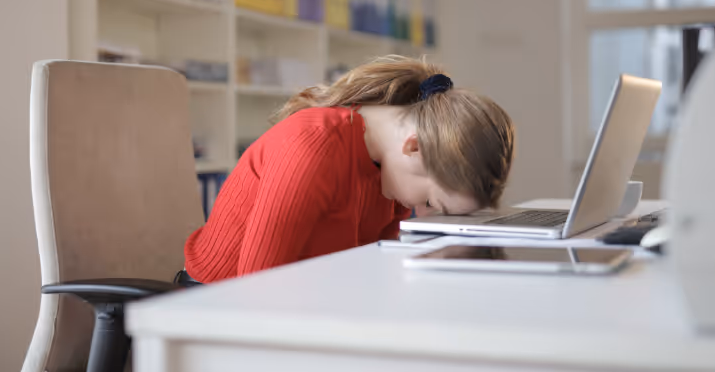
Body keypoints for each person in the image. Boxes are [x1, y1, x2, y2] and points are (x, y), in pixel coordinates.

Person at [182, 56, 515, 283]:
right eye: (431, 204)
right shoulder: (313, 146)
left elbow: (371, 273)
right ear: (414, 147)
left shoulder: (393, 170)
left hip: (302, 300)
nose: (423, 216)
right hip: (215, 306)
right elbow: (257, 292)